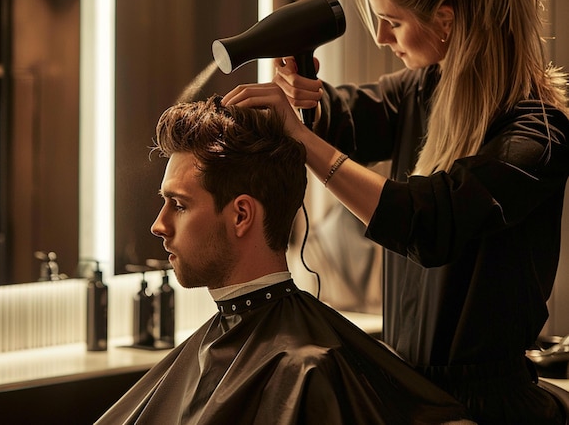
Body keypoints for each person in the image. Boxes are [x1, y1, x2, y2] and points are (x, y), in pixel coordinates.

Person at [222, 0, 569, 425]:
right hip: (412, 395)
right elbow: (350, 116)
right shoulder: (423, 89)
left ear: (446, 20)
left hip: (489, 411)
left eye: (393, 22)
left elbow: (430, 223)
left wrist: (301, 138)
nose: (382, 39)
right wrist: (304, 100)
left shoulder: (537, 135)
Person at [96, 96, 473, 425]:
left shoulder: (308, 369)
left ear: (241, 215)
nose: (158, 225)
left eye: (178, 204)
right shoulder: (273, 352)